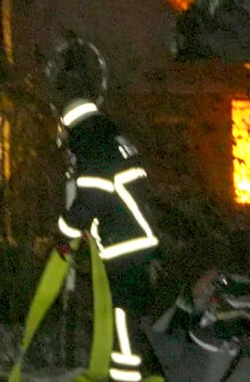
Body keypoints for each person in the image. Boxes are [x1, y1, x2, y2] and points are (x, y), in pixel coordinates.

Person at [49, 34, 160, 381]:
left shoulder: (89, 141)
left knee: (124, 320)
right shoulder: (108, 134)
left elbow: (92, 196)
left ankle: (129, 377)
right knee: (130, 318)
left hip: (124, 243)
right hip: (138, 239)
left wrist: (65, 232)